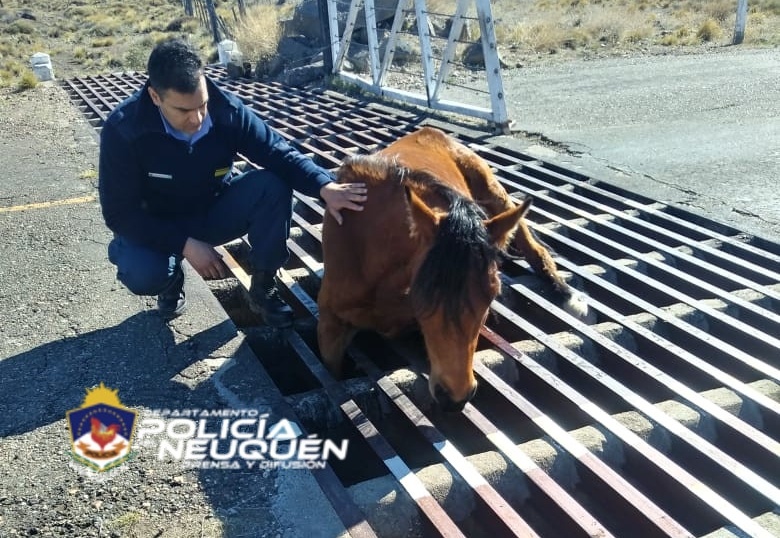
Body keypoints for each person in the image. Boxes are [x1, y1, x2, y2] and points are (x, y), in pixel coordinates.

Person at [98, 37, 366, 326]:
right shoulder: (124, 130)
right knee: (143, 273)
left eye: (201, 105)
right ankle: (170, 281)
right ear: (154, 97)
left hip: (212, 210)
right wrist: (185, 244)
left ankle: (263, 287)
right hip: (158, 221)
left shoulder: (226, 112)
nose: (197, 118)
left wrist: (324, 187)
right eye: (183, 111)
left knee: (271, 186)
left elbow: (276, 151)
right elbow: (119, 213)